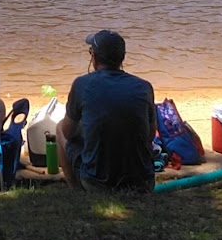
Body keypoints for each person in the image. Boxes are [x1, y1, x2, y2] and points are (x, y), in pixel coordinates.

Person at [57, 30, 155, 192]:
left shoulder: (82, 85)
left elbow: (67, 132)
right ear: (122, 58)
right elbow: (150, 135)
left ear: (94, 57)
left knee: (59, 128)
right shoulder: (144, 87)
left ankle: (76, 190)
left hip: (97, 183)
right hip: (142, 182)